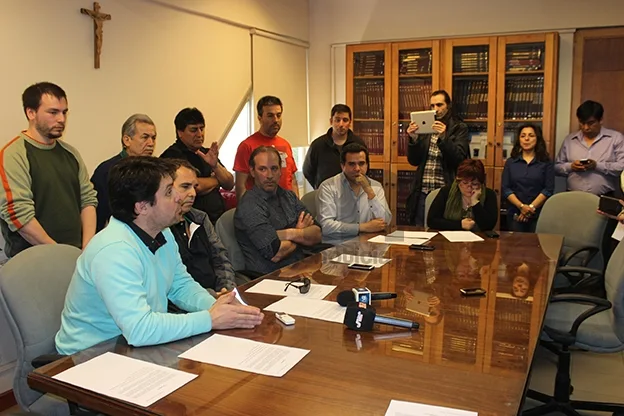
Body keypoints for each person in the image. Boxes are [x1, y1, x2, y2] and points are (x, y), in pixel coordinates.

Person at [55, 157, 263, 355]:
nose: (179, 197)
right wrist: (209, 319)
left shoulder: (161, 231)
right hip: (90, 356)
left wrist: (217, 307)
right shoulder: (114, 250)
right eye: (169, 192)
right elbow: (140, 329)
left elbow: (180, 285)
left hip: (132, 346)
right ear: (142, 207)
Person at [0, 82, 97, 257]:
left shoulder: (70, 153)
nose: (61, 119)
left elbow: (88, 200)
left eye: (64, 112)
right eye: (53, 112)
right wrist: (59, 253)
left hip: (75, 255)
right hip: (32, 260)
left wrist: (87, 249)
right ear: (31, 113)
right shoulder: (13, 154)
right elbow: (19, 214)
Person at [235, 146, 321, 274]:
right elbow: (276, 253)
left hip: (301, 268)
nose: (269, 175)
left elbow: (317, 234)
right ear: (252, 172)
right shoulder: (249, 205)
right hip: (269, 277)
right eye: (262, 169)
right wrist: (300, 232)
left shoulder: (289, 196)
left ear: (280, 171)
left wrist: (287, 234)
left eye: (274, 169)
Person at [168, 159, 237, 297]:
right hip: (186, 305)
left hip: (218, 296)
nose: (193, 193)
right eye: (185, 186)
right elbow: (174, 286)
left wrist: (226, 290)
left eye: (194, 186)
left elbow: (221, 259)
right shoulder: (160, 227)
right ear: (166, 189)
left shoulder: (200, 218)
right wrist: (212, 297)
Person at [405, 90, 470, 226]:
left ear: (448, 106)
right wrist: (414, 140)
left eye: (439, 105)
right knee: (420, 232)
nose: (435, 110)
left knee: (443, 233)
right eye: (432, 106)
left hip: (445, 191)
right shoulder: (425, 127)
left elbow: (459, 160)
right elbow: (414, 161)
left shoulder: (459, 127)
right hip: (422, 191)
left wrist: (444, 138)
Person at [160, 108, 234, 224]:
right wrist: (216, 180)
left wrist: (215, 166)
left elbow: (229, 183)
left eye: (202, 128)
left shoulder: (207, 153)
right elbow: (195, 186)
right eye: (194, 130)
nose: (200, 134)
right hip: (190, 221)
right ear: (180, 133)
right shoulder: (172, 155)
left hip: (217, 219)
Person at [91, 113, 157, 231]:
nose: (151, 143)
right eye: (145, 137)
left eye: (153, 138)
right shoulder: (108, 171)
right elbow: (99, 215)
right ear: (127, 140)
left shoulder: (157, 171)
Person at [317, 143, 391, 244]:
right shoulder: (328, 187)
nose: (357, 169)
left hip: (367, 246)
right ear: (342, 166)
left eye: (361, 163)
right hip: (336, 246)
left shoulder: (375, 186)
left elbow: (385, 221)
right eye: (352, 164)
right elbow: (326, 226)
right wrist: (362, 227)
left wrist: (369, 191)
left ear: (367, 165)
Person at [233, 96, 299, 201]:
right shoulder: (247, 146)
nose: (275, 120)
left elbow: (293, 181)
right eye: (270, 116)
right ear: (260, 118)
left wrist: (297, 207)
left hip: (286, 208)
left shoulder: (285, 144)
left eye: (278, 115)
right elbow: (241, 186)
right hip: (260, 209)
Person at [555, 100, 624, 196]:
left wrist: (596, 166)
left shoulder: (615, 138)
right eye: (582, 123)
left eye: (590, 123)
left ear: (601, 120)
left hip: (605, 197)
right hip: (573, 197)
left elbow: (621, 167)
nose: (586, 127)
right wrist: (571, 167)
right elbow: (557, 167)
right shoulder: (569, 140)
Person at [501, 123, 554, 232]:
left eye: (531, 135)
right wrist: (521, 207)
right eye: (523, 136)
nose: (526, 139)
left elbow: (548, 189)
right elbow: (506, 189)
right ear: (519, 140)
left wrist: (530, 208)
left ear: (537, 139)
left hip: (538, 213)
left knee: (536, 246)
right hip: (515, 213)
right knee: (515, 246)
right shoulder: (511, 162)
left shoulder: (546, 162)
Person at [303, 104, 366, 189]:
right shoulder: (317, 145)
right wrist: (320, 187)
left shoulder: (359, 144)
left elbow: (364, 169)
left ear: (350, 122)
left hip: (352, 195)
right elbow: (308, 171)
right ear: (331, 121)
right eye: (337, 120)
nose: (341, 124)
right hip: (325, 196)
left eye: (345, 120)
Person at [427, 159, 498, 231]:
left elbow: (489, 226)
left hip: (480, 240)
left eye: (474, 184)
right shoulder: (446, 192)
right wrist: (460, 225)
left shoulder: (489, 195)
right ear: (458, 181)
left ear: (481, 183)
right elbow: (431, 221)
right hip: (448, 239)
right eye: (465, 183)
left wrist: (475, 203)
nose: (469, 187)